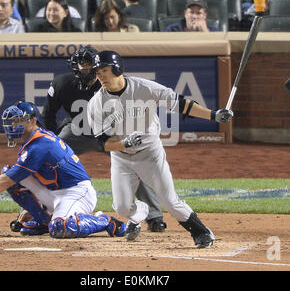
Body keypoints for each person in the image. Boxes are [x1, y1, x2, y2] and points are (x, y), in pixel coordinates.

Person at [87, 50, 233, 247]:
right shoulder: (96, 103)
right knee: (121, 208)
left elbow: (180, 104)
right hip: (121, 158)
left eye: (104, 70)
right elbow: (102, 143)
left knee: (170, 201)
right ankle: (140, 211)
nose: (101, 76)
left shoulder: (144, 88)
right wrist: (125, 144)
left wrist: (213, 115)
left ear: (117, 68)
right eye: (97, 72)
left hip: (150, 154)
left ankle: (202, 232)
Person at [41, 45, 167, 232]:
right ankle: (37, 214)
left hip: (111, 134)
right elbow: (48, 115)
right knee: (48, 160)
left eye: (88, 63)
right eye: (80, 63)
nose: (84, 67)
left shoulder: (112, 82)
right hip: (77, 131)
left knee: (136, 167)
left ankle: (154, 217)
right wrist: (52, 143)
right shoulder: (61, 84)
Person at [0, 100, 126, 239]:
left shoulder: (40, 145)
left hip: (77, 193)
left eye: (19, 121)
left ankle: (105, 221)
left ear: (33, 121)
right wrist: (30, 209)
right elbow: (13, 177)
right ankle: (44, 221)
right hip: (54, 193)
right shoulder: (34, 140)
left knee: (60, 227)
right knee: (8, 172)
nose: (14, 125)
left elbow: (8, 179)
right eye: (13, 122)